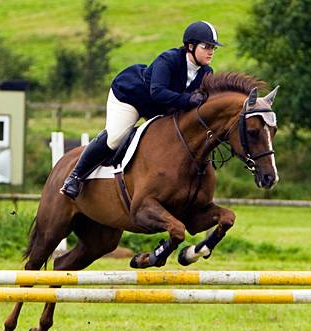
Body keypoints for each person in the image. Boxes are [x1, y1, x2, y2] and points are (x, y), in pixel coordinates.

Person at [60, 21, 222, 199]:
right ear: (190, 46)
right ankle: (75, 177)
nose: (211, 52)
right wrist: (189, 99)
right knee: (116, 137)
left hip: (159, 109)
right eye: (206, 47)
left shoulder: (207, 72)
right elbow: (158, 92)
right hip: (131, 97)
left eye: (213, 48)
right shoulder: (168, 60)